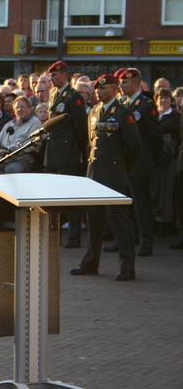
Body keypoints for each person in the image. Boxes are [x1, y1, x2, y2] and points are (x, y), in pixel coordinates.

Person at [69, 74, 141, 281]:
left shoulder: (123, 113)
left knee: (119, 221)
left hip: (114, 174)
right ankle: (90, 263)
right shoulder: (93, 112)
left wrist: (124, 168)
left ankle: (127, 266)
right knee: (93, 220)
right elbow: (91, 143)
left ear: (115, 90)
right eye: (97, 89)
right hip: (94, 173)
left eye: (103, 89)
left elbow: (134, 146)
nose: (98, 92)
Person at [116, 69, 163, 256]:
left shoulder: (145, 106)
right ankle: (129, 238)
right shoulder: (122, 104)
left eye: (125, 83)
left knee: (141, 205)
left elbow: (156, 138)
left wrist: (151, 160)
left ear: (136, 84)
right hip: (124, 163)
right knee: (125, 204)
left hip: (140, 164)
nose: (121, 86)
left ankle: (146, 242)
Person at [44, 61, 88, 249]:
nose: (51, 79)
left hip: (68, 151)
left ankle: (75, 236)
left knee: (71, 195)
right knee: (52, 194)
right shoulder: (55, 94)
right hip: (53, 150)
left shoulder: (73, 96)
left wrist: (78, 150)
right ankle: (55, 232)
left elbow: (81, 127)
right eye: (51, 76)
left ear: (64, 75)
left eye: (54, 75)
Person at [151, 89, 180, 236]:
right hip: (154, 160)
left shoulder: (175, 116)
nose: (163, 100)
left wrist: (153, 129)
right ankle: (155, 221)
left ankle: (165, 224)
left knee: (166, 192)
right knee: (155, 191)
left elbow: (164, 128)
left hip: (169, 161)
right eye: (161, 98)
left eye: (166, 98)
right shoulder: (154, 115)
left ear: (171, 100)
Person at [0, 96, 43, 174]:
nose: (19, 110)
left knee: (12, 171)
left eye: (22, 107)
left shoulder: (35, 123)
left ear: (29, 108)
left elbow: (32, 144)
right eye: (17, 108)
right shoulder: (10, 124)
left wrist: (9, 149)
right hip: (2, 158)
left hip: (21, 160)